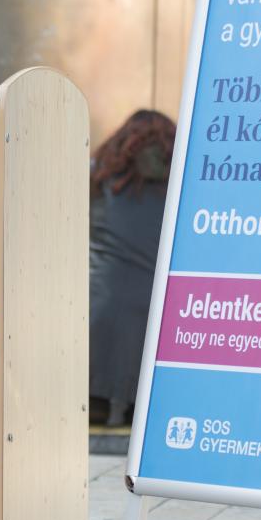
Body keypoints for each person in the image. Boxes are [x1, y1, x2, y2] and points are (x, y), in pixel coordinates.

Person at [88, 110, 176, 427]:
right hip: (164, 309)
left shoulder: (99, 176)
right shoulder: (184, 180)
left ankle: (99, 402)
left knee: (91, 409)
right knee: (144, 416)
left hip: (100, 306)